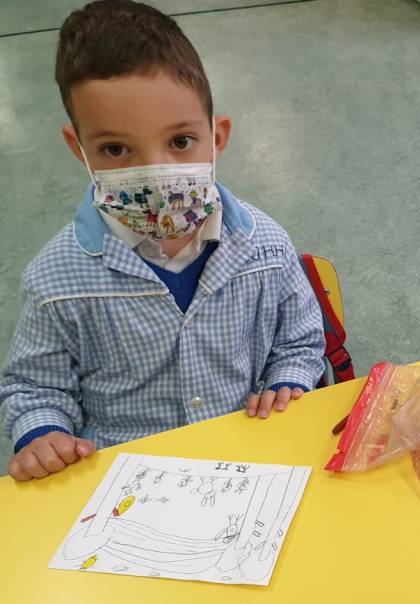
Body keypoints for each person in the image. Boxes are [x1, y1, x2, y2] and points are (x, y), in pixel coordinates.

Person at [1, 0, 325, 482]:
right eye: (116, 149)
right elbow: (34, 387)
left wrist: (286, 383)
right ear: (79, 149)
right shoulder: (55, 280)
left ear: (217, 137)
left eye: (179, 142)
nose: (156, 175)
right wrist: (44, 435)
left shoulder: (266, 247)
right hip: (126, 477)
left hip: (246, 461)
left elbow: (299, 340)